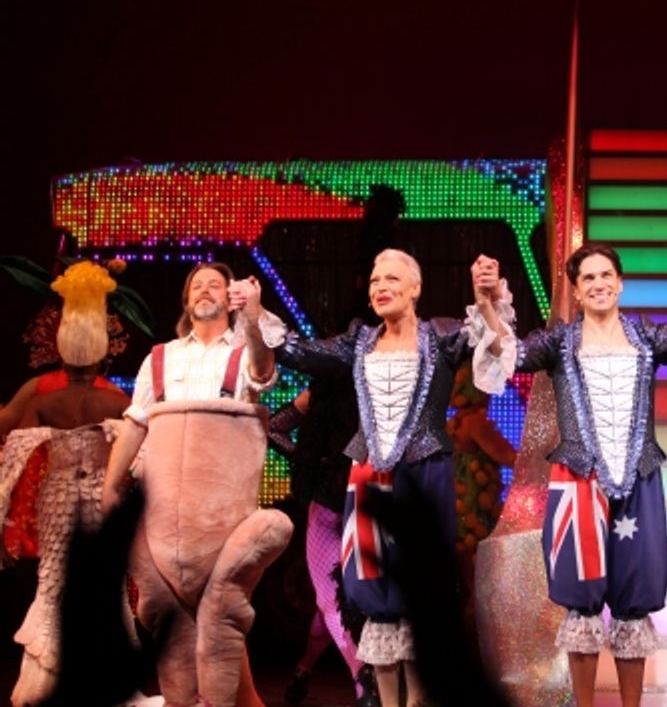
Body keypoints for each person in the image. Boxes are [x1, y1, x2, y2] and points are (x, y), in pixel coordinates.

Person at [472, 242, 667, 707]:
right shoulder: (560, 342)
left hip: (639, 480)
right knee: (580, 604)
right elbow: (508, 354)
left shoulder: (647, 337)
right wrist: (486, 304)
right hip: (579, 482)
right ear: (576, 292)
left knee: (633, 603)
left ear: (620, 283)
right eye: (588, 279)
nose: (599, 285)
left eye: (606, 276)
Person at [274, 249, 508, 707]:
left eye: (392, 278)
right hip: (367, 478)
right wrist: (256, 314)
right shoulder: (358, 341)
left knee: (420, 594)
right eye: (375, 279)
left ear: (415, 288)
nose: (380, 286)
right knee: (374, 598)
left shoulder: (440, 335)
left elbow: (495, 356)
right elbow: (303, 353)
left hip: (424, 474)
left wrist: (486, 301)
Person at [101, 261, 289, 707]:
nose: (205, 291)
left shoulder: (243, 352)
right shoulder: (161, 356)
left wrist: (254, 316)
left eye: (215, 286)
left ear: (229, 298)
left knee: (221, 617)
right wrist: (111, 487)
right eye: (196, 286)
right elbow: (134, 424)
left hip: (221, 517)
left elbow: (262, 373)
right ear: (187, 301)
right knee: (173, 621)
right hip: (165, 514)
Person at [0, 261, 132, 706]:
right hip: (99, 500)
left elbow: (12, 436)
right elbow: (135, 453)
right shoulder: (117, 399)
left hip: (57, 503)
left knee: (53, 585)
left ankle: (48, 682)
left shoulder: (44, 396)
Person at [268, 383, 379, 707]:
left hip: (365, 502)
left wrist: (316, 466)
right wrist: (314, 466)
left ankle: (305, 669)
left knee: (337, 604)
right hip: (338, 502)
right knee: (331, 602)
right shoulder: (326, 390)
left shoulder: (384, 380)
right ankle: (364, 684)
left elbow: (275, 429)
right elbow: (274, 428)